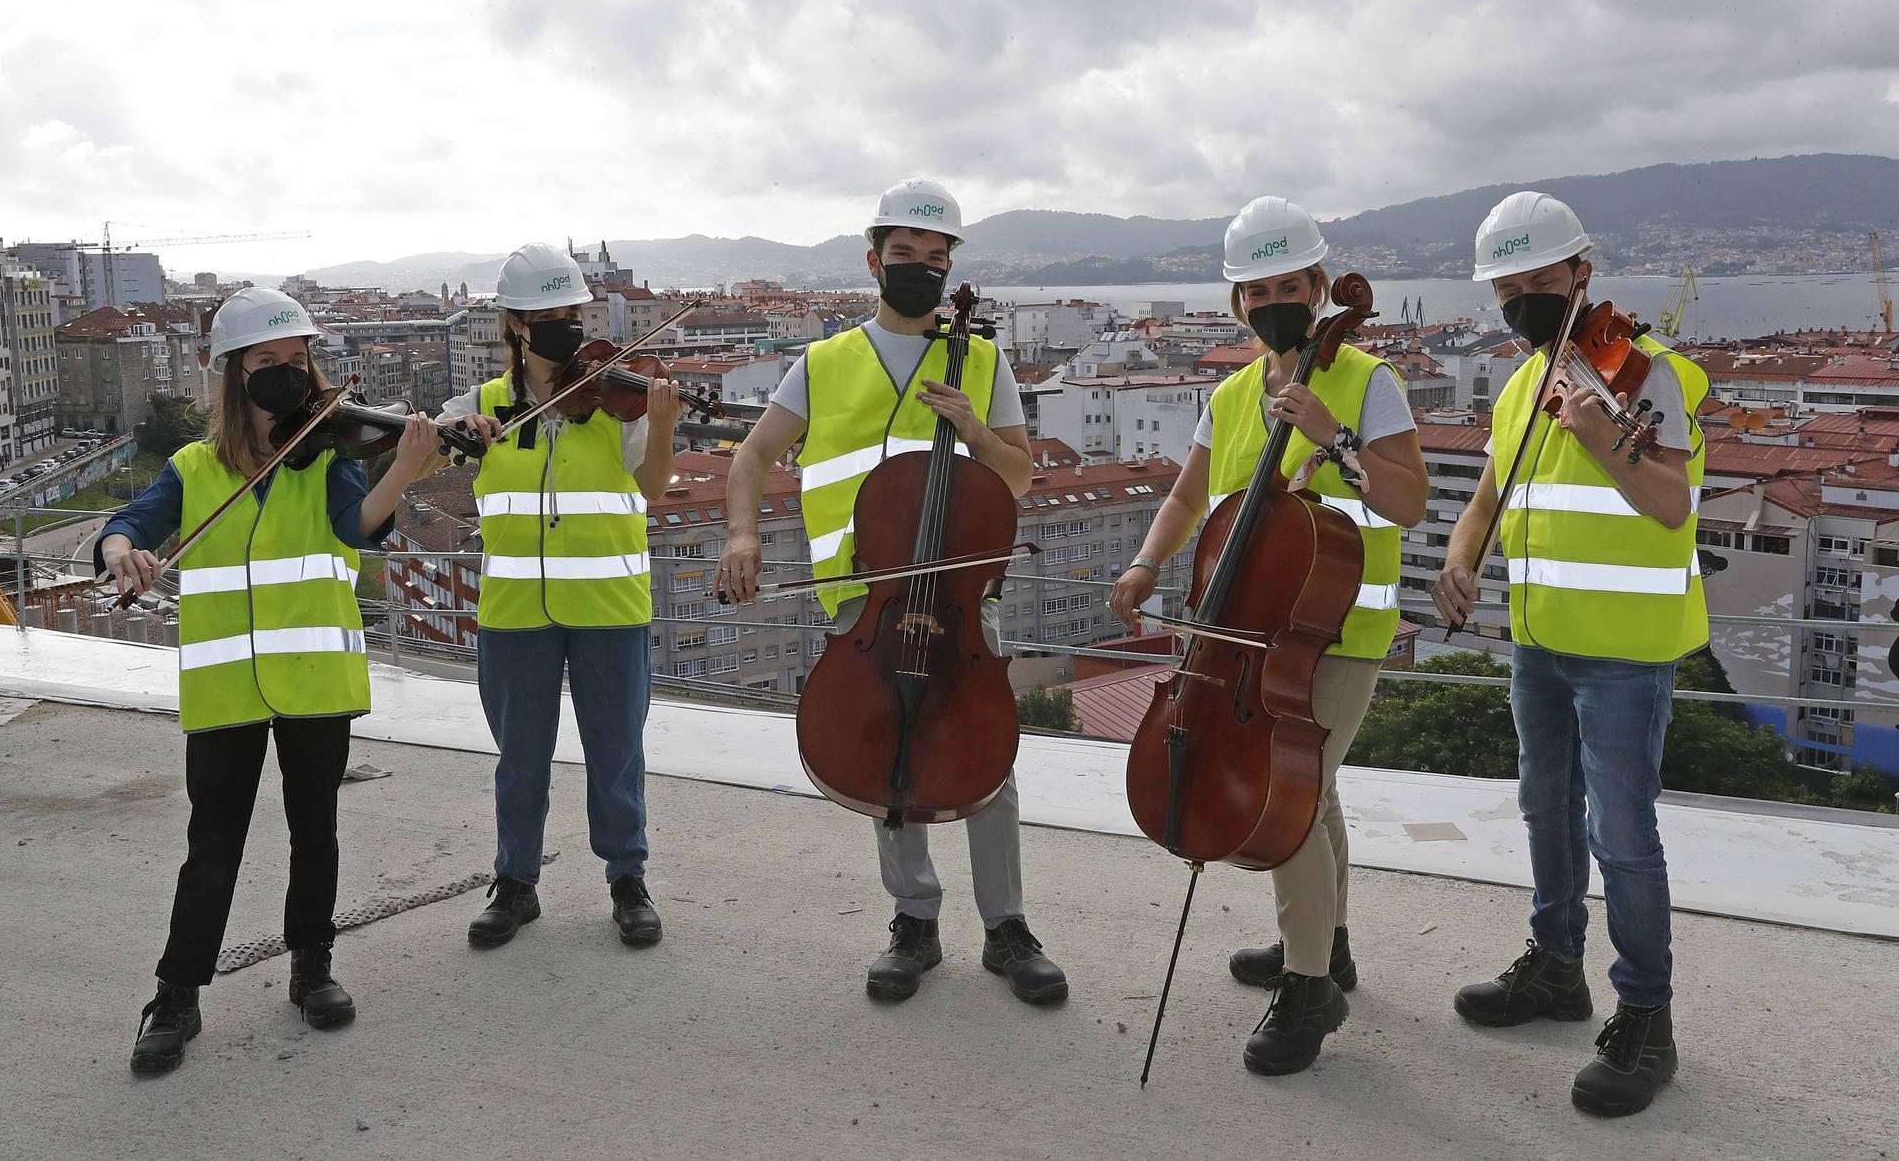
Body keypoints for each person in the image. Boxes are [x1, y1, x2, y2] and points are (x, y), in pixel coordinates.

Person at [714, 178, 1068, 1006]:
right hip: (862, 590)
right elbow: (750, 458)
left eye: (934, 256)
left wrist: (974, 429)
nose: (919, 266)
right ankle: (915, 919)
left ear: (950, 269)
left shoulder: (982, 359)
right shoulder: (825, 361)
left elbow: (1018, 474)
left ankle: (1006, 925)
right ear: (874, 260)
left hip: (957, 588)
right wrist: (739, 535)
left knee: (987, 752)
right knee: (885, 742)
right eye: (903, 253)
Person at [1110, 196, 1427, 1075]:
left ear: (1321, 288)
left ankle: (1307, 988)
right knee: (1313, 796)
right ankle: (1329, 948)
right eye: (1260, 288)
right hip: (1253, 632)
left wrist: (1336, 435)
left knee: (1285, 797)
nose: (1278, 298)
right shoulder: (1229, 391)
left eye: (1294, 283)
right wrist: (1143, 563)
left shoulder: (1366, 379)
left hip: (1343, 628)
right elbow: (1187, 495)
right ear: (1238, 303)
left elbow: (1407, 498)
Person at [108, 286, 443, 1075]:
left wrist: (406, 466)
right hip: (227, 688)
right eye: (268, 363)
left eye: (298, 361)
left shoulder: (327, 454)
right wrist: (120, 549)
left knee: (314, 831)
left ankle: (312, 964)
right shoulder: (194, 467)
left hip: (314, 680)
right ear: (234, 374)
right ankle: (177, 993)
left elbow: (354, 531)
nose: (288, 376)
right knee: (212, 846)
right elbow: (133, 523)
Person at [1431, 191, 1707, 1117]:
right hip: (1539, 642)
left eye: (1540, 281)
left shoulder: (1647, 373)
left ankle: (1646, 1017)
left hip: (1625, 652)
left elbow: (1671, 504)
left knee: (1622, 835)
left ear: (1584, 271)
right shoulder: (1518, 385)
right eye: (1506, 288)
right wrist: (1460, 562)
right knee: (1546, 809)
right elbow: (1485, 500)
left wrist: (1596, 431)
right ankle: (1556, 967)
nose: (1521, 302)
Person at [444, 243, 680, 952]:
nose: (565, 329)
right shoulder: (482, 406)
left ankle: (627, 879)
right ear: (514, 325)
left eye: (572, 313)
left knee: (617, 751)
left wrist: (662, 423)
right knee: (520, 757)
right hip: (515, 611)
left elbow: (652, 488)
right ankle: (515, 882)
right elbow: (421, 449)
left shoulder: (619, 399)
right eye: (547, 317)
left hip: (610, 604)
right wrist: (457, 435)